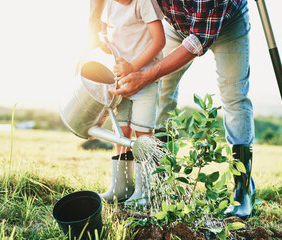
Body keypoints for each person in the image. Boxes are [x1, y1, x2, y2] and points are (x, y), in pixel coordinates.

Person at [90, 0, 255, 219]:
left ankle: (243, 190)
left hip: (226, 23)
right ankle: (157, 182)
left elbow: (199, 40)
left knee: (234, 99)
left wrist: (148, 75)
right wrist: (94, 20)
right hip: (175, 24)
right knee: (161, 96)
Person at [88, 0, 165, 207]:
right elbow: (116, 36)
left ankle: (143, 191)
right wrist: (107, 45)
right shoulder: (110, 5)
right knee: (121, 133)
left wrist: (133, 66)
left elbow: (159, 41)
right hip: (121, 81)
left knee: (143, 137)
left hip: (145, 82)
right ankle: (121, 188)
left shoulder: (144, 3)